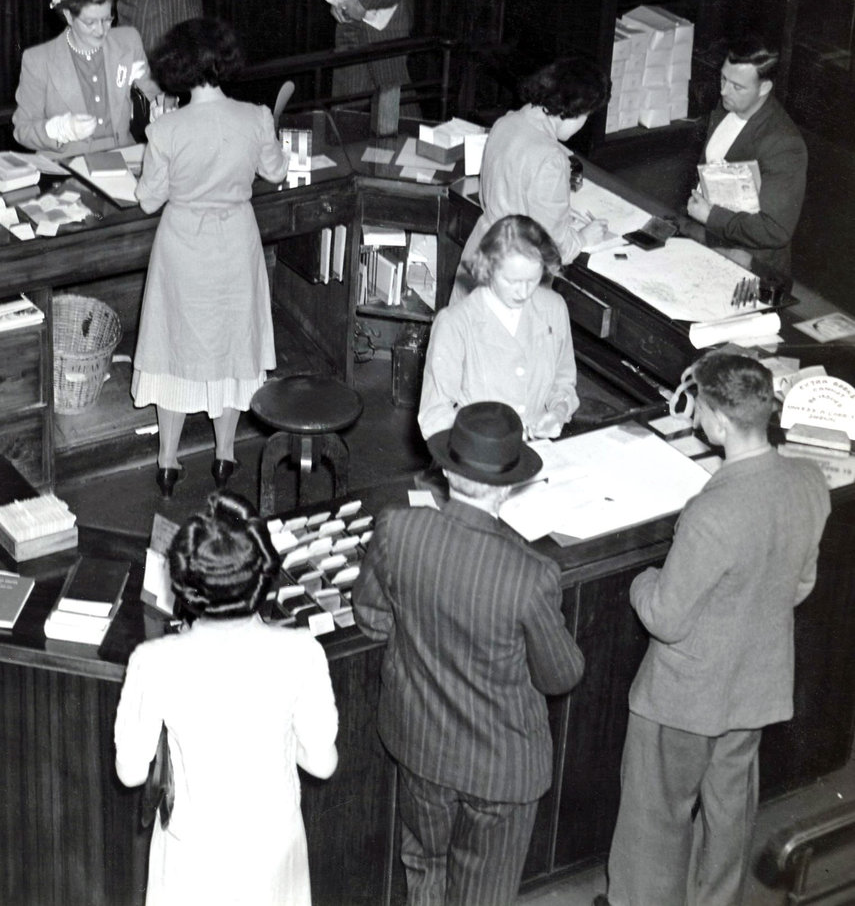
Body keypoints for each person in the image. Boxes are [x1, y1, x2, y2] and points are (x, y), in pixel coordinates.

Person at [598, 352, 830, 906]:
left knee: (656, 819)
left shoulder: (712, 512)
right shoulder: (808, 481)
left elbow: (665, 617)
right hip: (756, 686)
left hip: (684, 697)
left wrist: (643, 580)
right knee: (729, 813)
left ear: (718, 421)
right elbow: (800, 586)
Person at [352, 400, 585, 906]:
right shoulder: (530, 575)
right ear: (507, 485)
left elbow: (370, 616)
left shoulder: (398, 529)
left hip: (420, 746)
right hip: (500, 769)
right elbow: (561, 675)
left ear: (447, 467)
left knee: (425, 868)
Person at [114, 491, 338, 906]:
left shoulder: (153, 661)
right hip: (273, 852)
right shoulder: (303, 651)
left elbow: (130, 773)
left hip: (191, 856)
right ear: (263, 576)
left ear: (185, 583)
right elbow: (322, 764)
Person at [131, 18, 289, 495]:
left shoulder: (167, 130)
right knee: (232, 347)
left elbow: (147, 200)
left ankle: (168, 461)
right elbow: (277, 173)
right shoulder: (256, 116)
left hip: (183, 248)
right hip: (236, 244)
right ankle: (224, 455)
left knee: (172, 348)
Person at [453, 55, 611, 298]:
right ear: (571, 111)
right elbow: (557, 248)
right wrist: (582, 238)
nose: (584, 123)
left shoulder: (505, 123)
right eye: (586, 116)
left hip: (480, 253)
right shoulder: (552, 159)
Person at [419, 214, 578, 442]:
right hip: (476, 456)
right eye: (512, 282)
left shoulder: (553, 308)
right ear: (488, 268)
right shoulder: (455, 323)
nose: (523, 293)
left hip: (538, 451)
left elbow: (563, 381)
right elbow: (434, 415)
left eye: (532, 280)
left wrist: (558, 412)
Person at [687, 38, 806, 279]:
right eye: (723, 78)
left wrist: (711, 216)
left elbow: (775, 229)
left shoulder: (784, 144)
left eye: (737, 87)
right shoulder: (725, 108)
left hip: (751, 268)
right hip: (710, 244)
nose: (723, 91)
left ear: (764, 88)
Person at [12, 0, 159, 157]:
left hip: (125, 156)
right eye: (90, 22)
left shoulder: (128, 41)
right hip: (67, 164)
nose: (101, 30)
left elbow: (154, 97)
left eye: (107, 19)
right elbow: (22, 130)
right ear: (68, 16)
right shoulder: (38, 60)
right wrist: (58, 130)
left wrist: (157, 107)